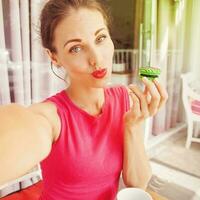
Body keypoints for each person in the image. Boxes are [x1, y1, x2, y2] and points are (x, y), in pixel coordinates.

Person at [0, 0, 168, 199]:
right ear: (54, 57)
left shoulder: (123, 98)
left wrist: (133, 126)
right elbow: (25, 128)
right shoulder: (50, 117)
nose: (97, 59)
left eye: (100, 38)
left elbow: (137, 182)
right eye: (76, 48)